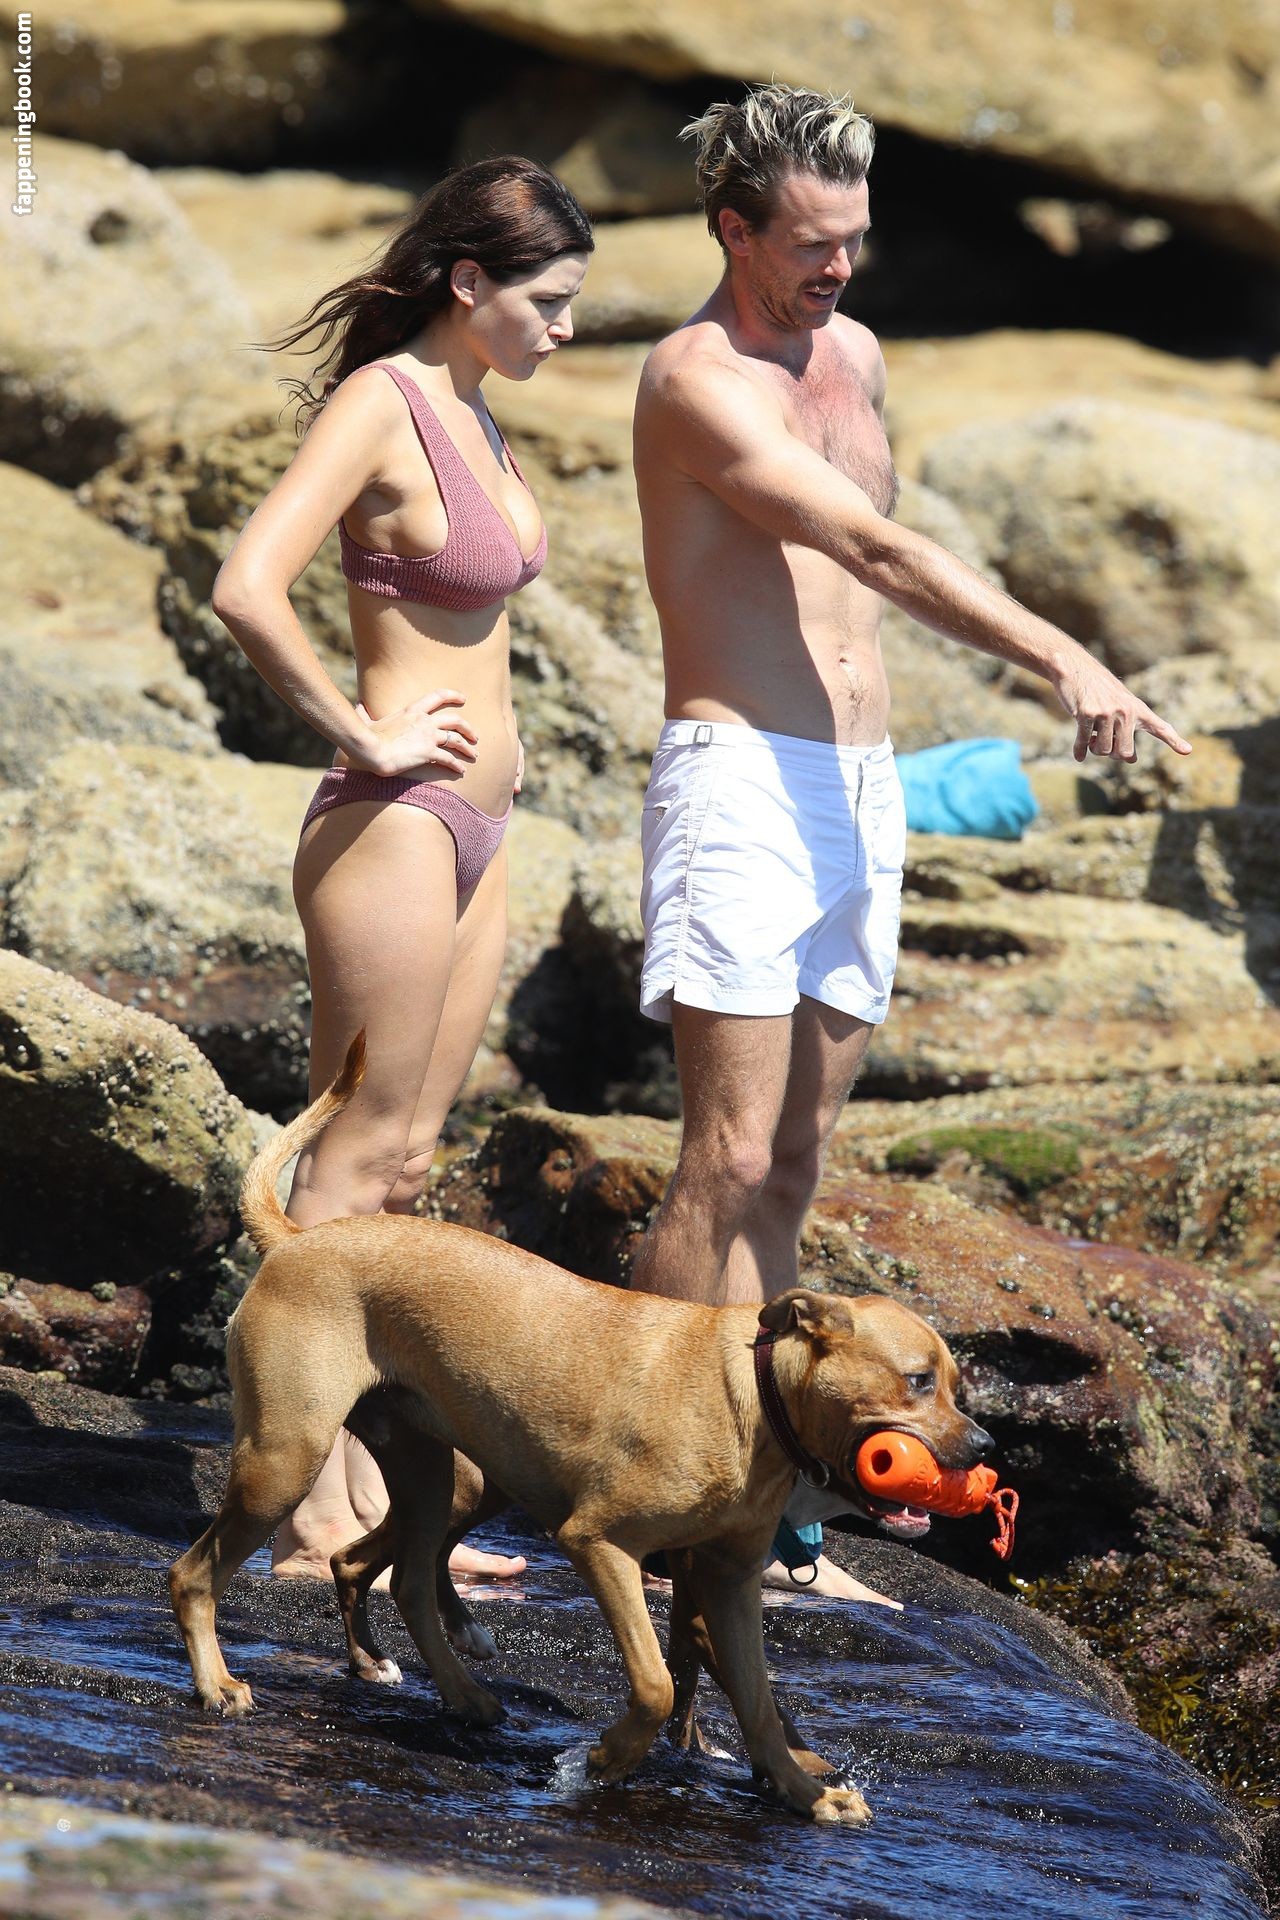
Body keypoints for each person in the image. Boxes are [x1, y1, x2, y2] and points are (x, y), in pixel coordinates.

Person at [628, 84, 1191, 1602]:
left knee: (797, 1159)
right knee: (723, 1156)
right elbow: (867, 544)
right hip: (741, 776)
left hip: (862, 788)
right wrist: (1058, 654)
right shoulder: (694, 378)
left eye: (857, 239)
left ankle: (769, 1518)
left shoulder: (859, 354)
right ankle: (640, 1477)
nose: (841, 268)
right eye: (812, 243)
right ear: (733, 229)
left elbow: (872, 577)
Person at [209, 157, 593, 1583]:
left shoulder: (477, 409)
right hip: (394, 819)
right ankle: (307, 1508)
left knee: (408, 1164)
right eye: (548, 301)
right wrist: (361, 730)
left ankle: (375, 1500)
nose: (566, 328)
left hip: (479, 830)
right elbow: (247, 585)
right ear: (469, 281)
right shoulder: (384, 402)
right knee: (350, 1163)